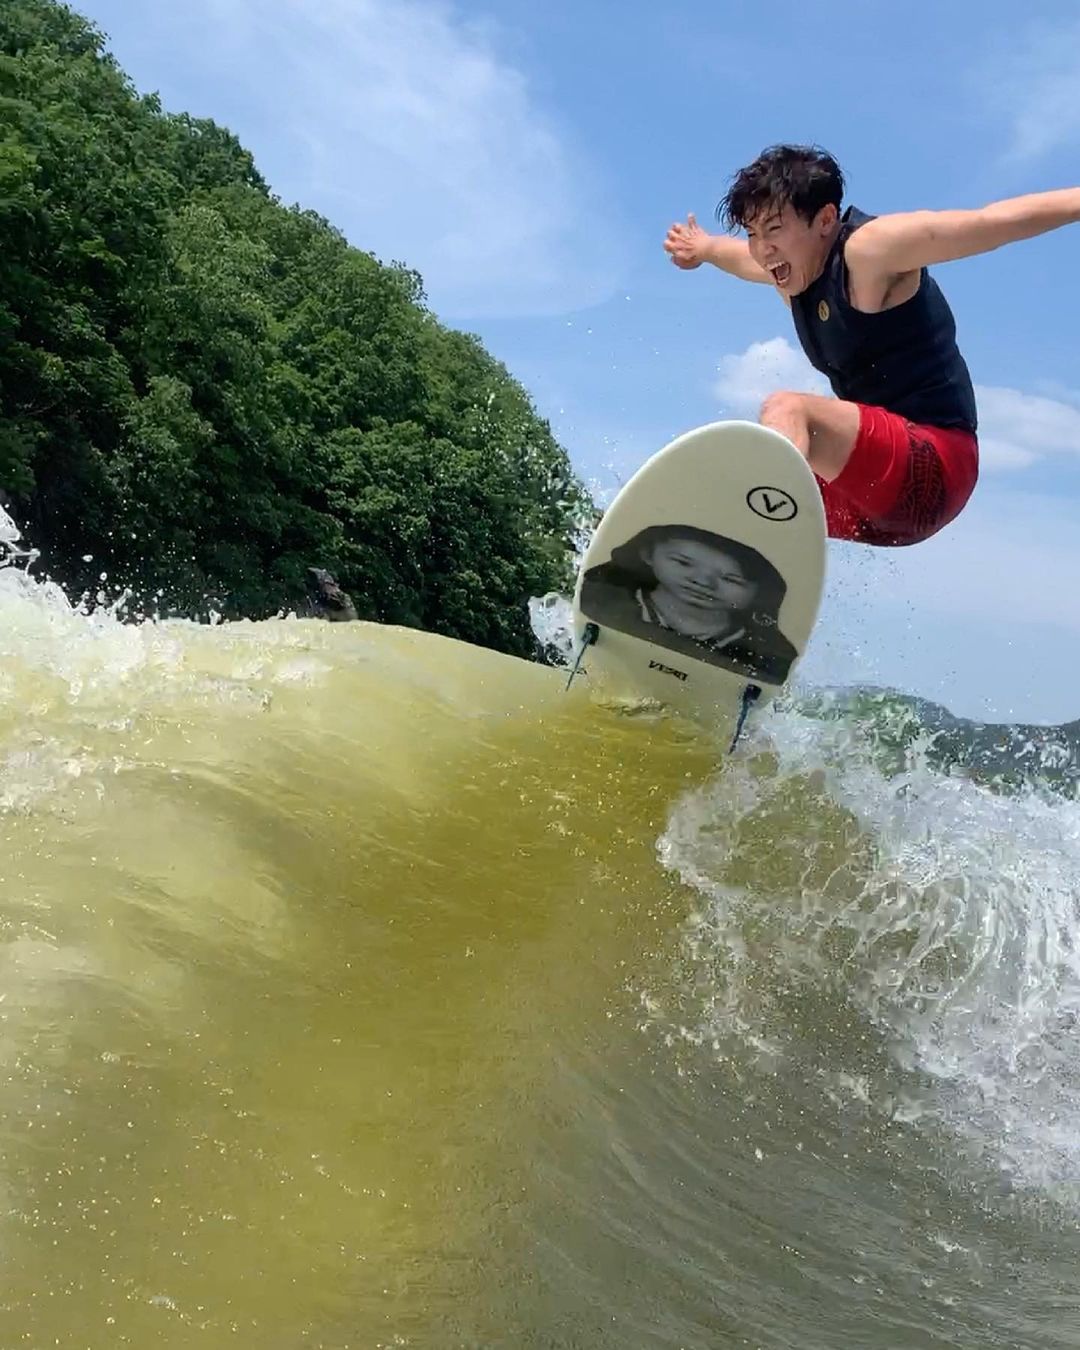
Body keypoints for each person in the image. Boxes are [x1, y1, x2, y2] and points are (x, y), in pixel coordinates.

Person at [664, 144, 1076, 546]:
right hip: (873, 506)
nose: (761, 248)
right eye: (753, 233)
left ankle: (763, 547)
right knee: (720, 488)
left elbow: (992, 223)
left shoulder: (869, 251)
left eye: (773, 229)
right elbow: (732, 253)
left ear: (825, 219)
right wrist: (701, 248)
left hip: (938, 468)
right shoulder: (789, 271)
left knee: (788, 410)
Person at [579, 524, 797, 683]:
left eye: (731, 579)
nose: (702, 582)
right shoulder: (601, 602)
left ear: (760, 593)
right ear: (647, 554)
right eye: (683, 562)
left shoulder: (764, 655)